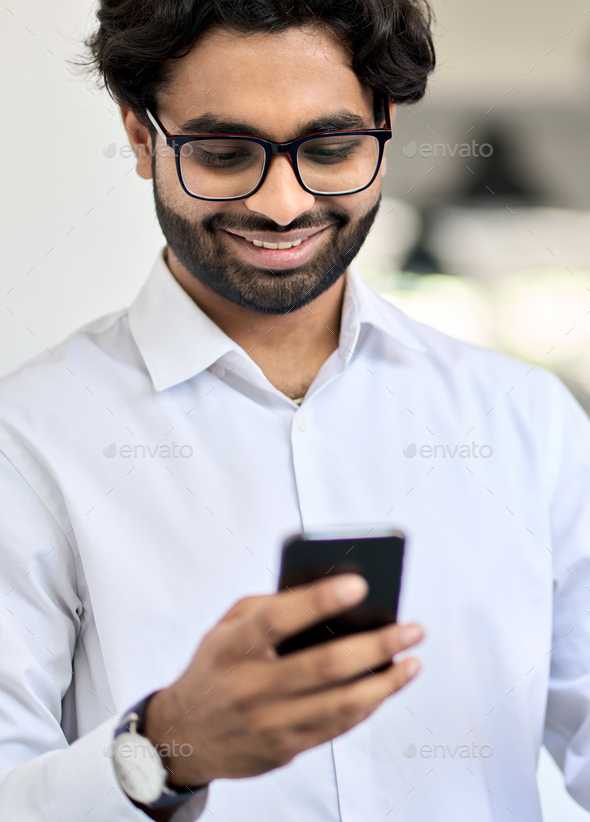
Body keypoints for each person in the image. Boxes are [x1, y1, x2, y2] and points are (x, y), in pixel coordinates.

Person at [1, 1, 590, 820]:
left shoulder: (528, 423)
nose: (282, 205)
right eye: (224, 152)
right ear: (141, 137)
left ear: (385, 123)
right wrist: (168, 744)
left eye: (332, 147)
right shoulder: (27, 442)